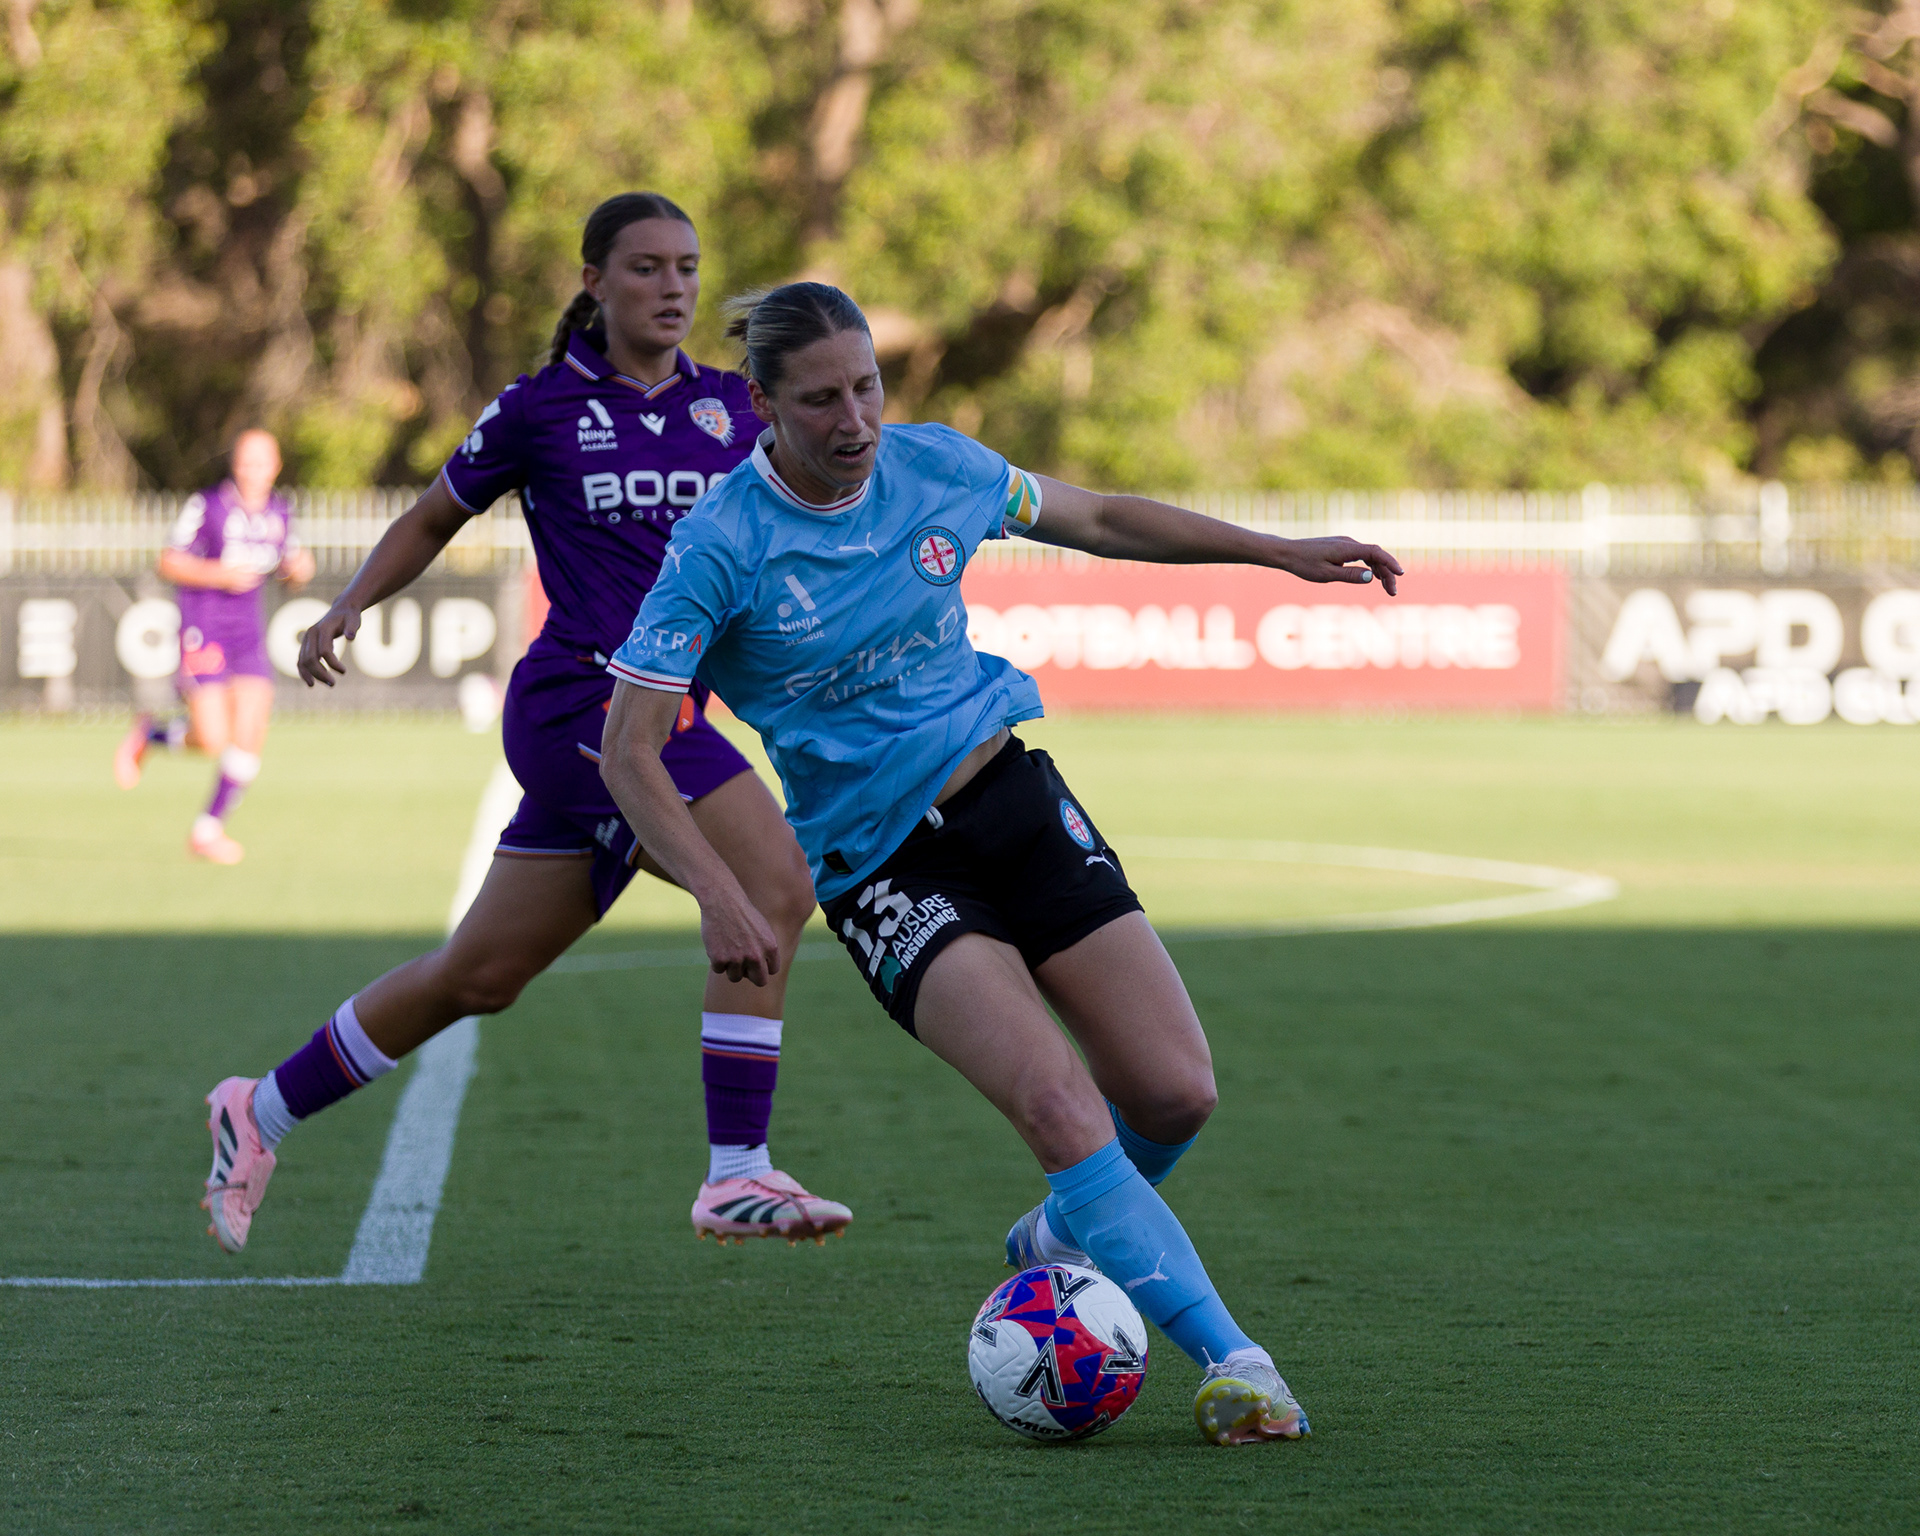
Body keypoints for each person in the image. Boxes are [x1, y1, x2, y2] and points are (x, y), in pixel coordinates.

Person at [597, 282, 1403, 1446]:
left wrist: (1276, 554)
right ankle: (1238, 1361)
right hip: (885, 869)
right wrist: (721, 894)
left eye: (867, 387)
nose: (854, 421)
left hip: (1014, 802)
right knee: (1060, 1104)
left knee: (1175, 1093)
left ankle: (1060, 1236)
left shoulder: (940, 466)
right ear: (763, 403)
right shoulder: (721, 544)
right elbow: (627, 749)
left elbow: (1105, 519)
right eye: (819, 400)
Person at [197, 194, 851, 1257]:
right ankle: (737, 1171)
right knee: (771, 883)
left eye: (688, 267)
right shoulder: (542, 407)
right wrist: (349, 604)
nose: (674, 287)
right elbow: (432, 516)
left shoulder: (732, 409)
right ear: (594, 281)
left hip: (666, 715)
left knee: (481, 974)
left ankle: (257, 1109)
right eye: (646, 267)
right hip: (579, 708)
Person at [115, 430, 315, 863]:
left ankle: (208, 830)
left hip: (248, 633)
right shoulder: (208, 506)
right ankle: (150, 734)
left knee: (251, 730)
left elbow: (290, 570)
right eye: (246, 461)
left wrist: (299, 570)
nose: (253, 471)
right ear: (235, 464)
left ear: (276, 466)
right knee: (211, 738)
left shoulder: (281, 512)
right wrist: (218, 574)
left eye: (262, 462)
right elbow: (168, 560)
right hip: (203, 628)